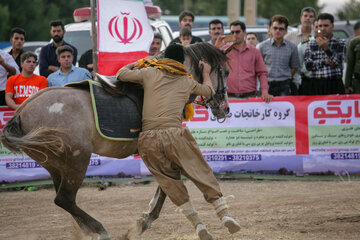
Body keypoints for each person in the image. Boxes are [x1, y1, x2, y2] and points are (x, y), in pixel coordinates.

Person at [116, 44, 240, 239]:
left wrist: (138, 63)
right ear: (183, 62)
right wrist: (206, 72)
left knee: (170, 183)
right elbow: (208, 90)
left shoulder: (148, 73)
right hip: (174, 135)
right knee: (200, 171)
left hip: (147, 140)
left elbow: (121, 74)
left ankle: (197, 224)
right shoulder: (186, 81)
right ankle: (224, 215)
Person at [216, 20, 272, 102]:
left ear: (244, 32)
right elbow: (211, 66)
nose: (235, 35)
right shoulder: (224, 50)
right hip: (229, 98)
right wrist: (217, 48)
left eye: (237, 32)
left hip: (250, 97)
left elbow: (262, 73)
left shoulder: (254, 52)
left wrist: (264, 92)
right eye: (232, 32)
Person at [304, 13, 347, 95]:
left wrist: (326, 49)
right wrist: (325, 62)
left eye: (326, 25)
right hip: (316, 83)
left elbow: (337, 62)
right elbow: (308, 65)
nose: (323, 28)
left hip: (334, 83)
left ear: (332, 26)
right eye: (320, 26)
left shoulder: (340, 42)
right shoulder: (311, 44)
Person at [257, 15, 300, 96]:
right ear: (270, 29)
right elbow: (258, 68)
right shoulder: (262, 46)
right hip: (266, 85)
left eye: (281, 29)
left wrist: (284, 76)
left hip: (284, 85)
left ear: (286, 31)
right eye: (275, 28)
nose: (277, 31)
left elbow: (295, 67)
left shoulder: (292, 47)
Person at [297, 20, 319, 95]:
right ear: (313, 28)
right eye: (317, 27)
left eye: (324, 26)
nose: (320, 29)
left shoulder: (334, 43)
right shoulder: (303, 44)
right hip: (308, 82)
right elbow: (298, 66)